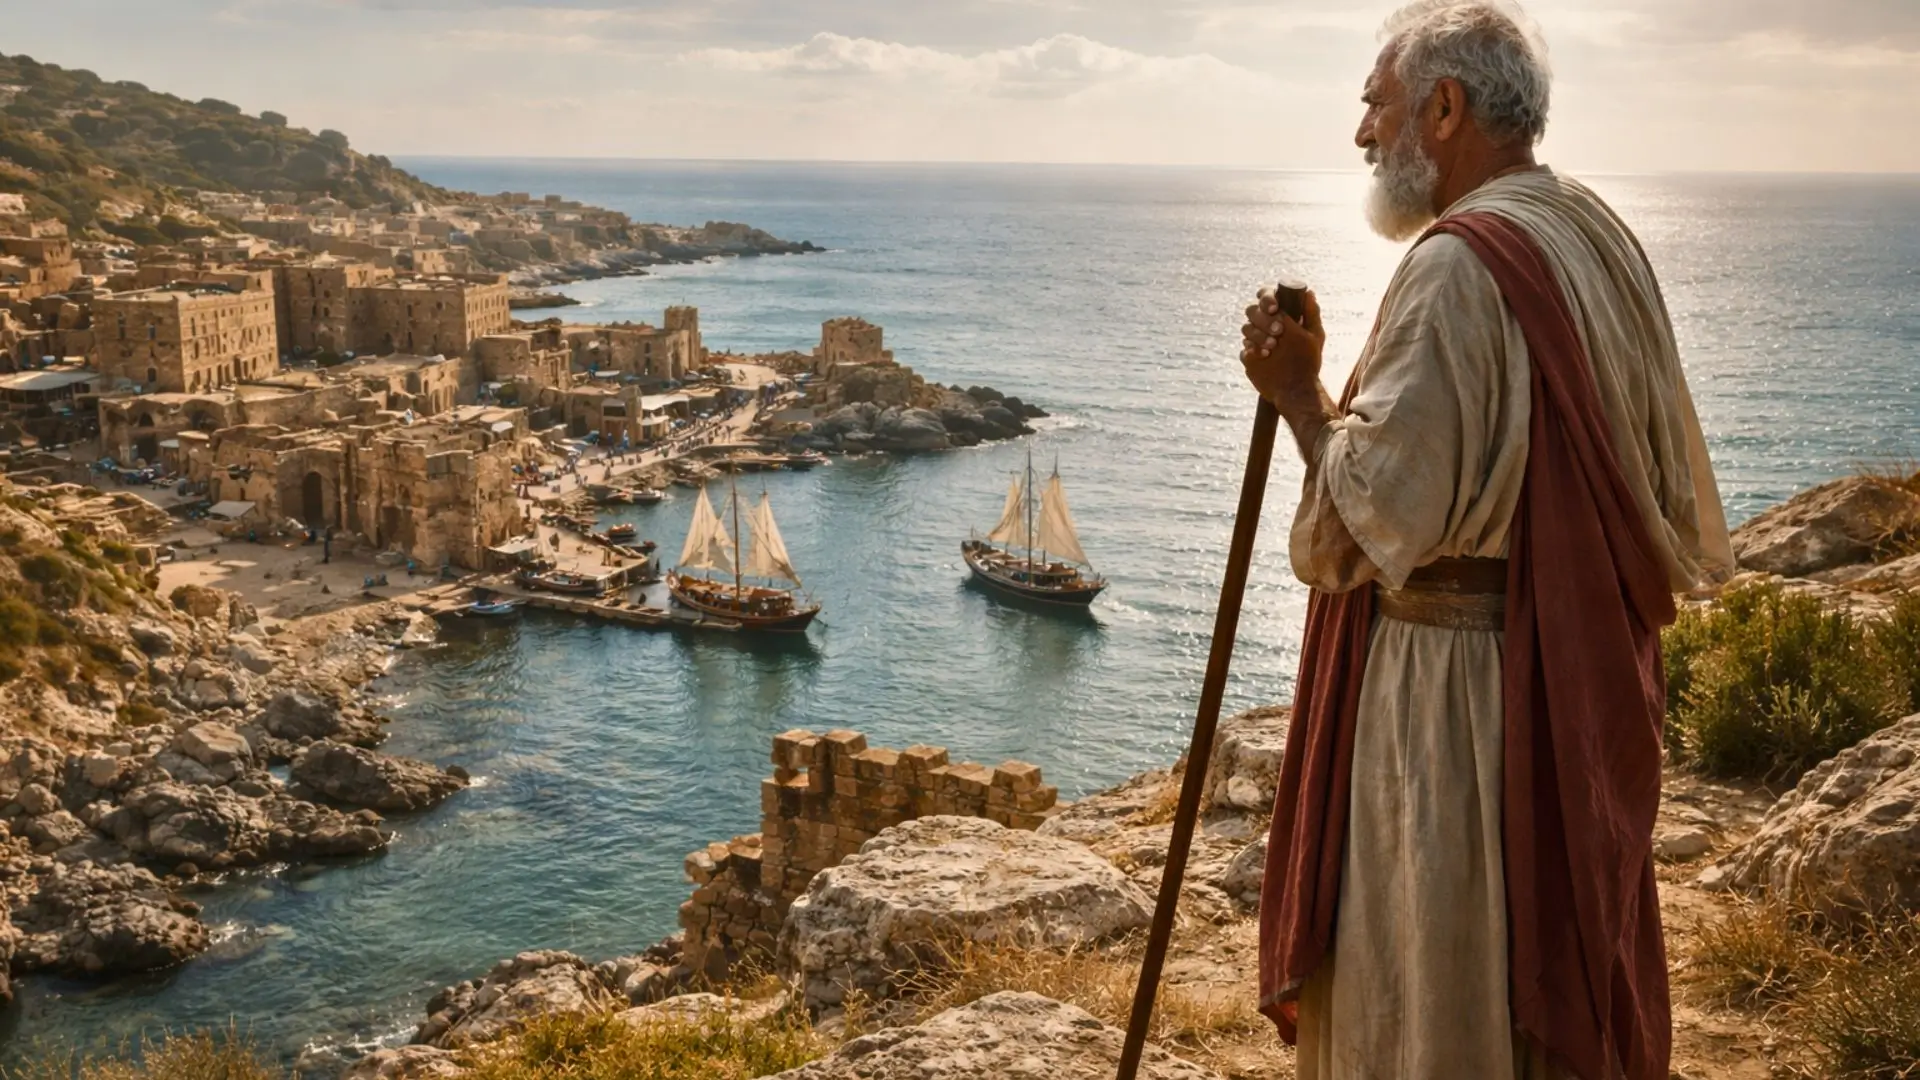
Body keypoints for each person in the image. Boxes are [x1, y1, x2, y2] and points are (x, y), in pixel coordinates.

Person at [1237, 4, 1732, 1080]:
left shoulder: (1458, 263)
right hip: (1557, 663)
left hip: (1456, 691)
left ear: (1445, 109)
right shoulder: (1589, 229)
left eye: (1375, 105)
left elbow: (1374, 513)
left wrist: (1299, 396)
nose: (1363, 136)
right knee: (1525, 955)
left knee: (1435, 966)